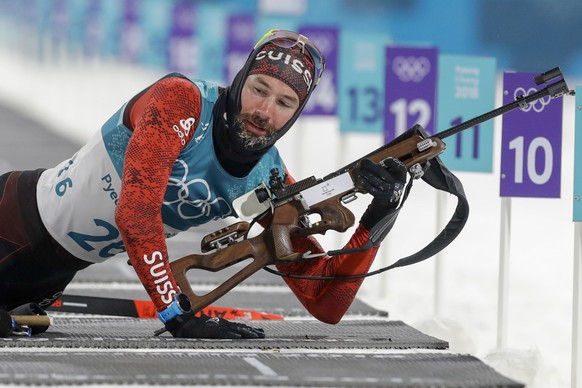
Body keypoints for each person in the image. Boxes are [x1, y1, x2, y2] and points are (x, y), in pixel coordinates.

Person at [0, 29, 407, 339]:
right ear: (241, 78)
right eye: (258, 89)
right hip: (9, 217)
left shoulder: (267, 177)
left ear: (297, 114)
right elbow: (135, 213)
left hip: (46, 276)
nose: (264, 111)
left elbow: (326, 300)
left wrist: (379, 214)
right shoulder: (182, 102)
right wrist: (175, 312)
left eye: (284, 103)